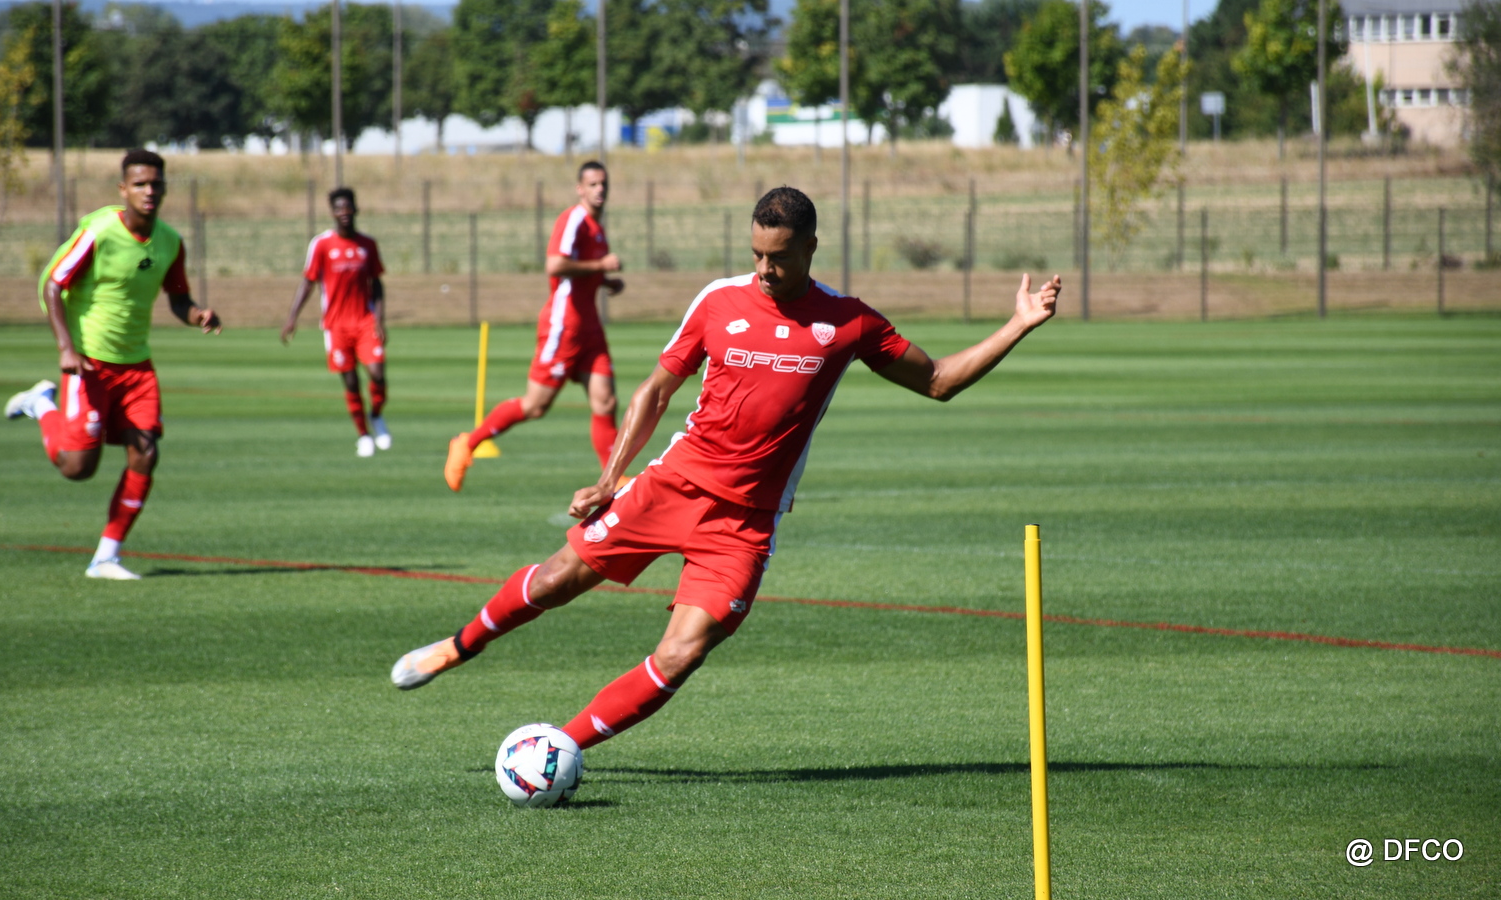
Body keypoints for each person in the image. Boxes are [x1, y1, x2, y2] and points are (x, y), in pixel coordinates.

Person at [392, 187, 1060, 757]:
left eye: (780, 256)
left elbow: (939, 381)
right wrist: (609, 477)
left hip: (743, 525)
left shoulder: (848, 322)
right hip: (672, 482)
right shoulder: (719, 301)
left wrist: (1018, 324)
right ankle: (459, 645)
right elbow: (656, 390)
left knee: (682, 653)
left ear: (811, 248)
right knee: (557, 579)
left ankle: (559, 747)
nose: (766, 269)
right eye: (757, 255)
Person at [4, 149, 221, 580]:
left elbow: (177, 297)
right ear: (123, 189)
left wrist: (197, 314)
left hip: (137, 368)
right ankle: (42, 403)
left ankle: (105, 557)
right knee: (77, 469)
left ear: (164, 188)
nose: (148, 191)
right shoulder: (100, 231)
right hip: (88, 365)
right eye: (139, 184)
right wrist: (67, 349)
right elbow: (53, 285)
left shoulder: (170, 242)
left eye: (155, 184)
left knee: (145, 454)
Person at [444, 160, 626, 491]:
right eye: (593, 184)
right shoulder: (574, 219)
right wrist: (600, 264)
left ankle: (612, 479)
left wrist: (604, 281)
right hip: (564, 326)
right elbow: (555, 264)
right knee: (535, 406)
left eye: (604, 184)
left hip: (590, 327)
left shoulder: (597, 227)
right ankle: (467, 443)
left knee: (606, 401)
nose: (600, 189)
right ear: (580, 188)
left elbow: (580, 271)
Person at [281, 187, 390, 457]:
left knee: (378, 374)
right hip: (336, 325)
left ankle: (376, 414)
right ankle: (363, 435)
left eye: (348, 207)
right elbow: (308, 282)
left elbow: (377, 284)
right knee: (351, 382)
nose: (344, 213)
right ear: (333, 212)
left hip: (364, 321)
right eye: (339, 208)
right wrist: (292, 317)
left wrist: (379, 319)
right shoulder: (322, 245)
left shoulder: (367, 245)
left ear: (356, 209)